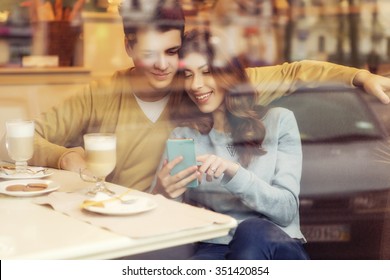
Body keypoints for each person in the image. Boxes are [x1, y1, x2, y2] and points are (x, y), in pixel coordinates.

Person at [17, 0, 390, 193]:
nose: (163, 65)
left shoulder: (203, 88)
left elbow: (295, 72)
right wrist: (63, 156)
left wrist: (359, 76)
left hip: (185, 231)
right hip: (114, 228)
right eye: (149, 53)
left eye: (172, 51)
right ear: (128, 46)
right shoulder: (100, 94)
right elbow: (18, 137)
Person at [150, 28, 308, 260]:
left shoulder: (279, 121)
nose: (196, 85)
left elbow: (286, 211)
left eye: (206, 72)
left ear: (228, 75)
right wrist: (161, 193)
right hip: (214, 247)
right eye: (188, 75)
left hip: (274, 245)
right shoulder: (184, 135)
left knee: (251, 230)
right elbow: (165, 221)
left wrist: (233, 172)